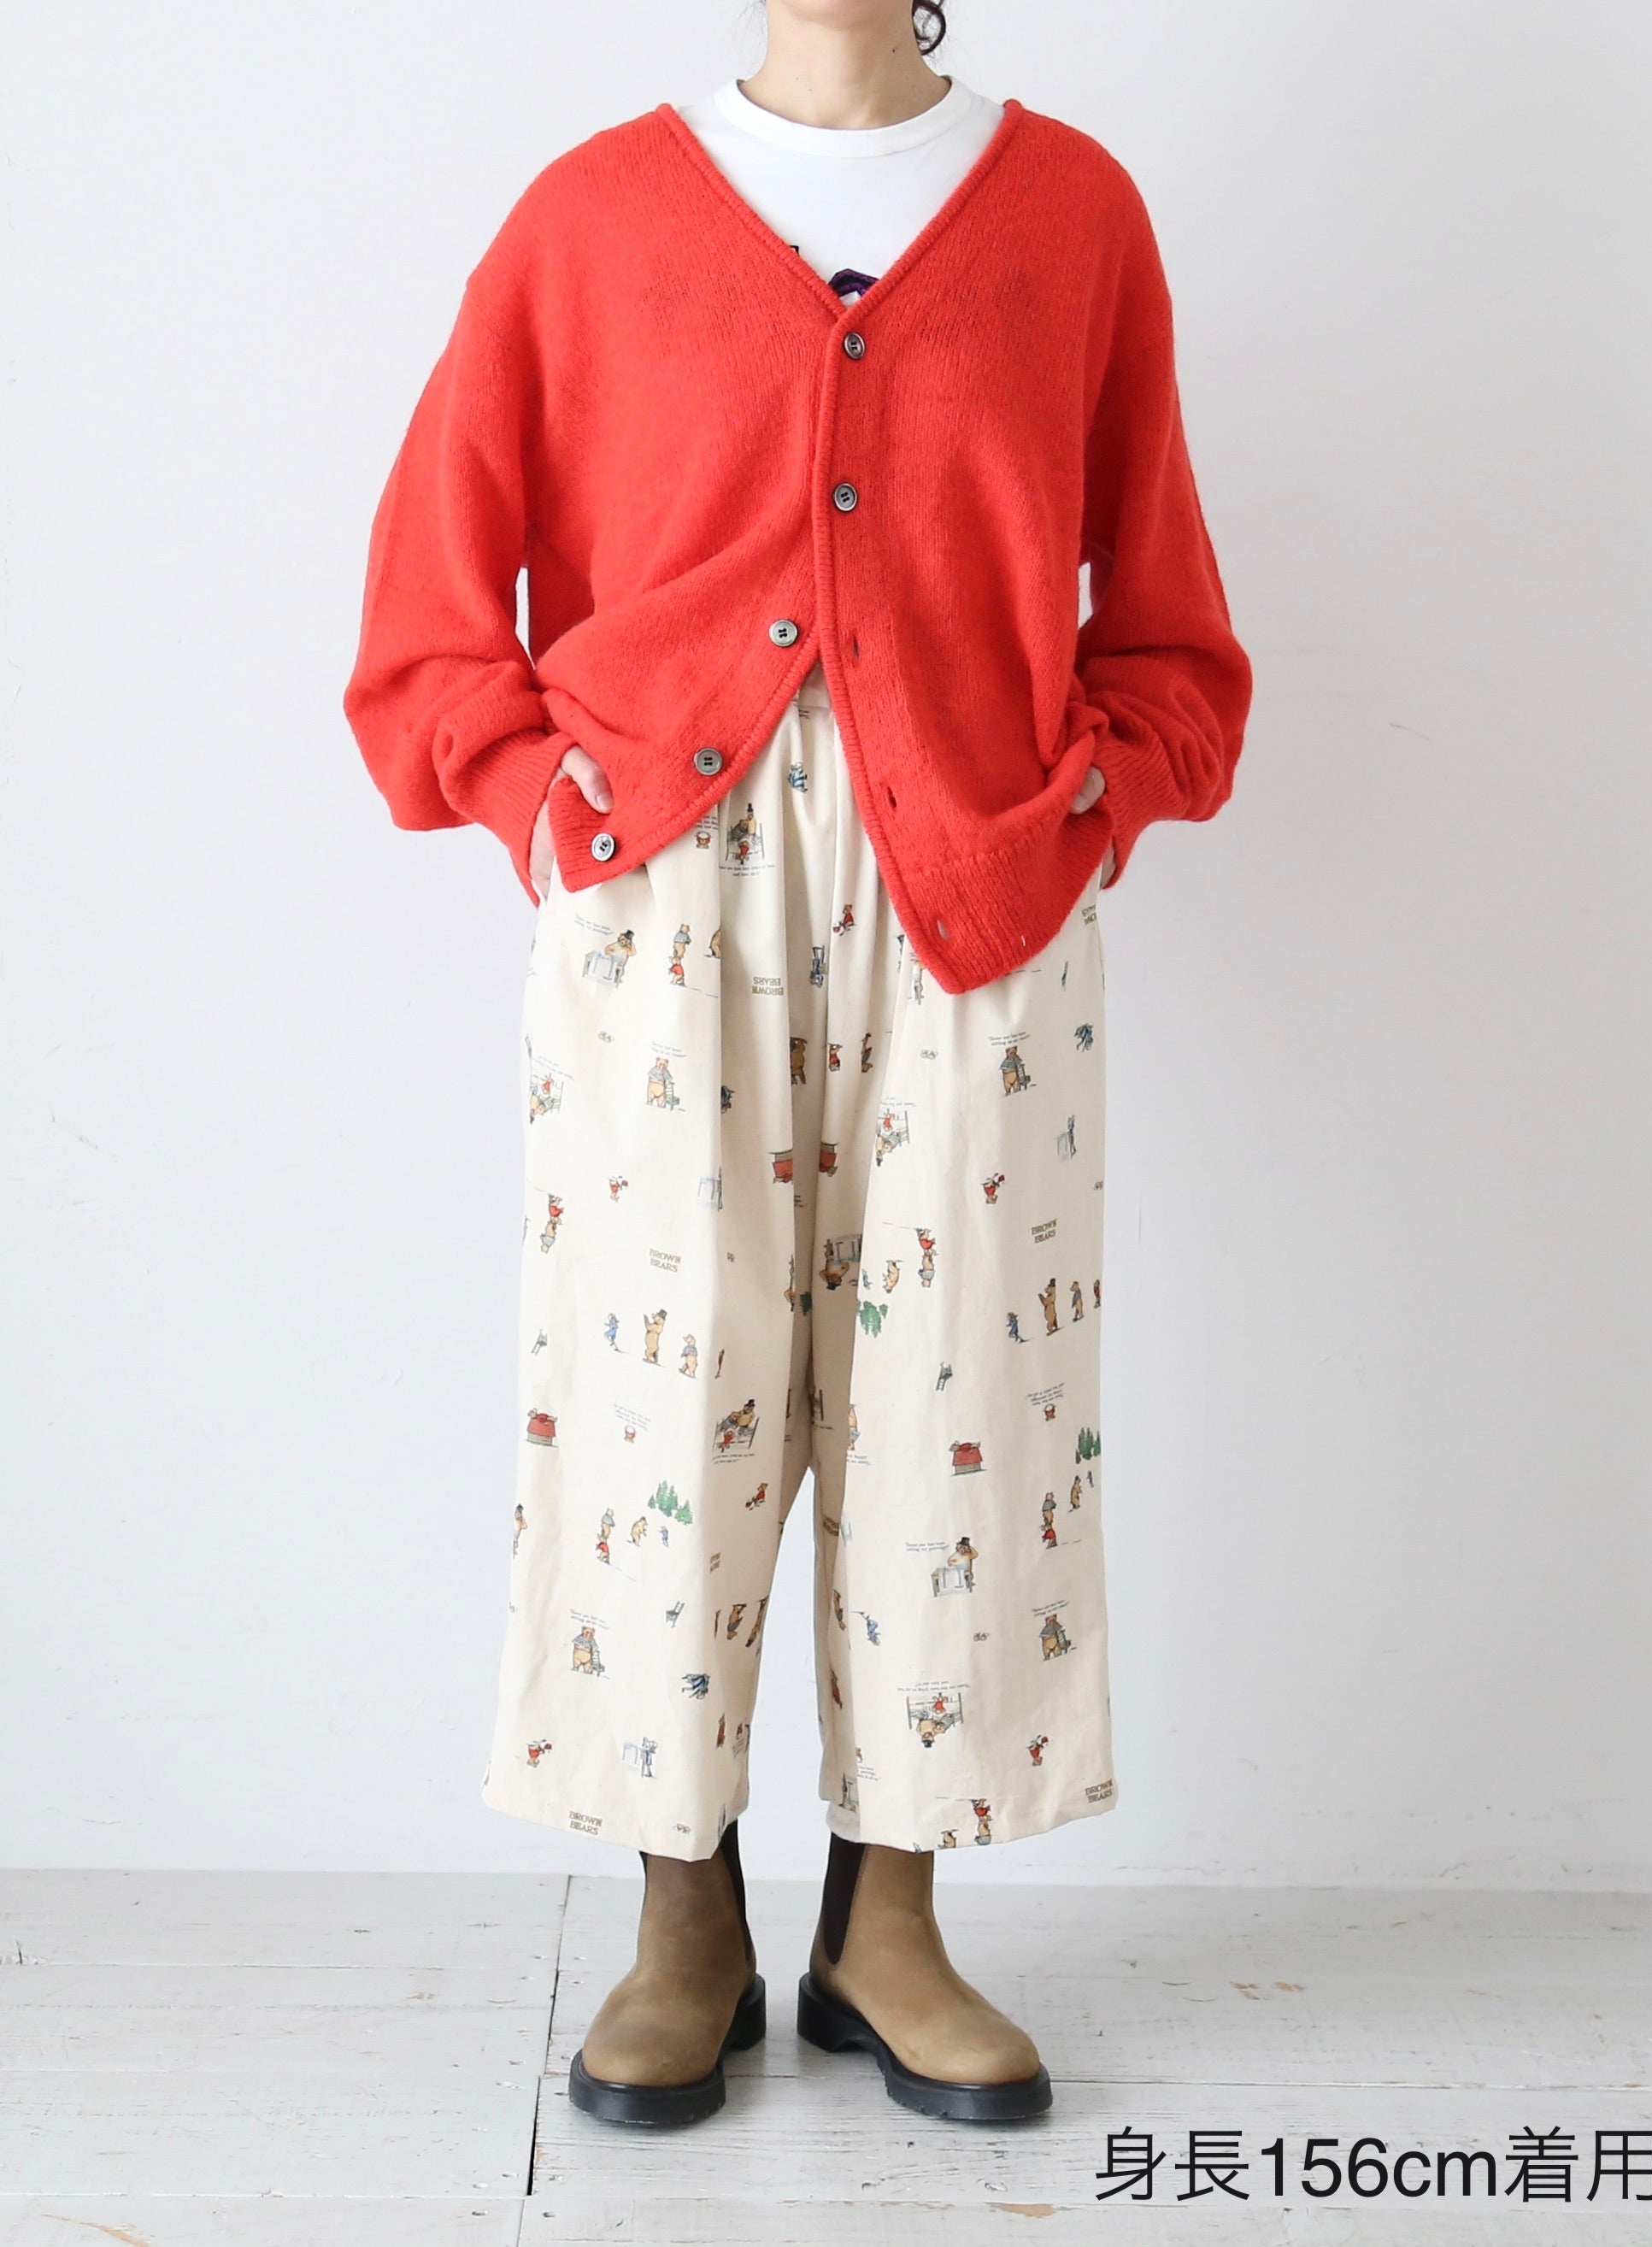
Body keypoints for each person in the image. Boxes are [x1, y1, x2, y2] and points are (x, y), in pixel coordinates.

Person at [344, 0, 1251, 2132]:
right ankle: (682, 1916)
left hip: (980, 891)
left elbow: (1168, 623)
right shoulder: (590, 218)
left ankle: (888, 1923)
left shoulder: (1071, 214)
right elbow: (429, 604)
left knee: (958, 1384)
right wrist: (533, 799)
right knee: (664, 1379)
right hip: (666, 891)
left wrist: (1098, 792)